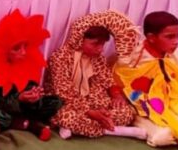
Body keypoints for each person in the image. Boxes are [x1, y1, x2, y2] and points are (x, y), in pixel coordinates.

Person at [46, 10, 145, 140]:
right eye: (95, 44)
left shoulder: (98, 58)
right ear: (79, 39)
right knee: (67, 116)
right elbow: (63, 92)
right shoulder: (60, 57)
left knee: (126, 113)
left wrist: (116, 96)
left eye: (102, 44)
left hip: (93, 100)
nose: (100, 49)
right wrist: (90, 112)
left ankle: (86, 126)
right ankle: (113, 130)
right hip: (67, 102)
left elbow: (108, 81)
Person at [0, 10, 62, 141]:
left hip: (21, 107)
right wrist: (18, 99)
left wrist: (34, 97)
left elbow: (30, 89)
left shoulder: (28, 61)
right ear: (5, 49)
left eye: (25, 46)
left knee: (55, 102)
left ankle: (24, 121)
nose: (23, 52)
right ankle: (27, 124)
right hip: (3, 109)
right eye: (17, 48)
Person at [115, 11, 178, 147]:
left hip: (170, 101)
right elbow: (120, 80)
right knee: (162, 137)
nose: (176, 41)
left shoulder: (176, 54)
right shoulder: (133, 57)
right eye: (170, 37)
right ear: (151, 37)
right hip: (142, 107)